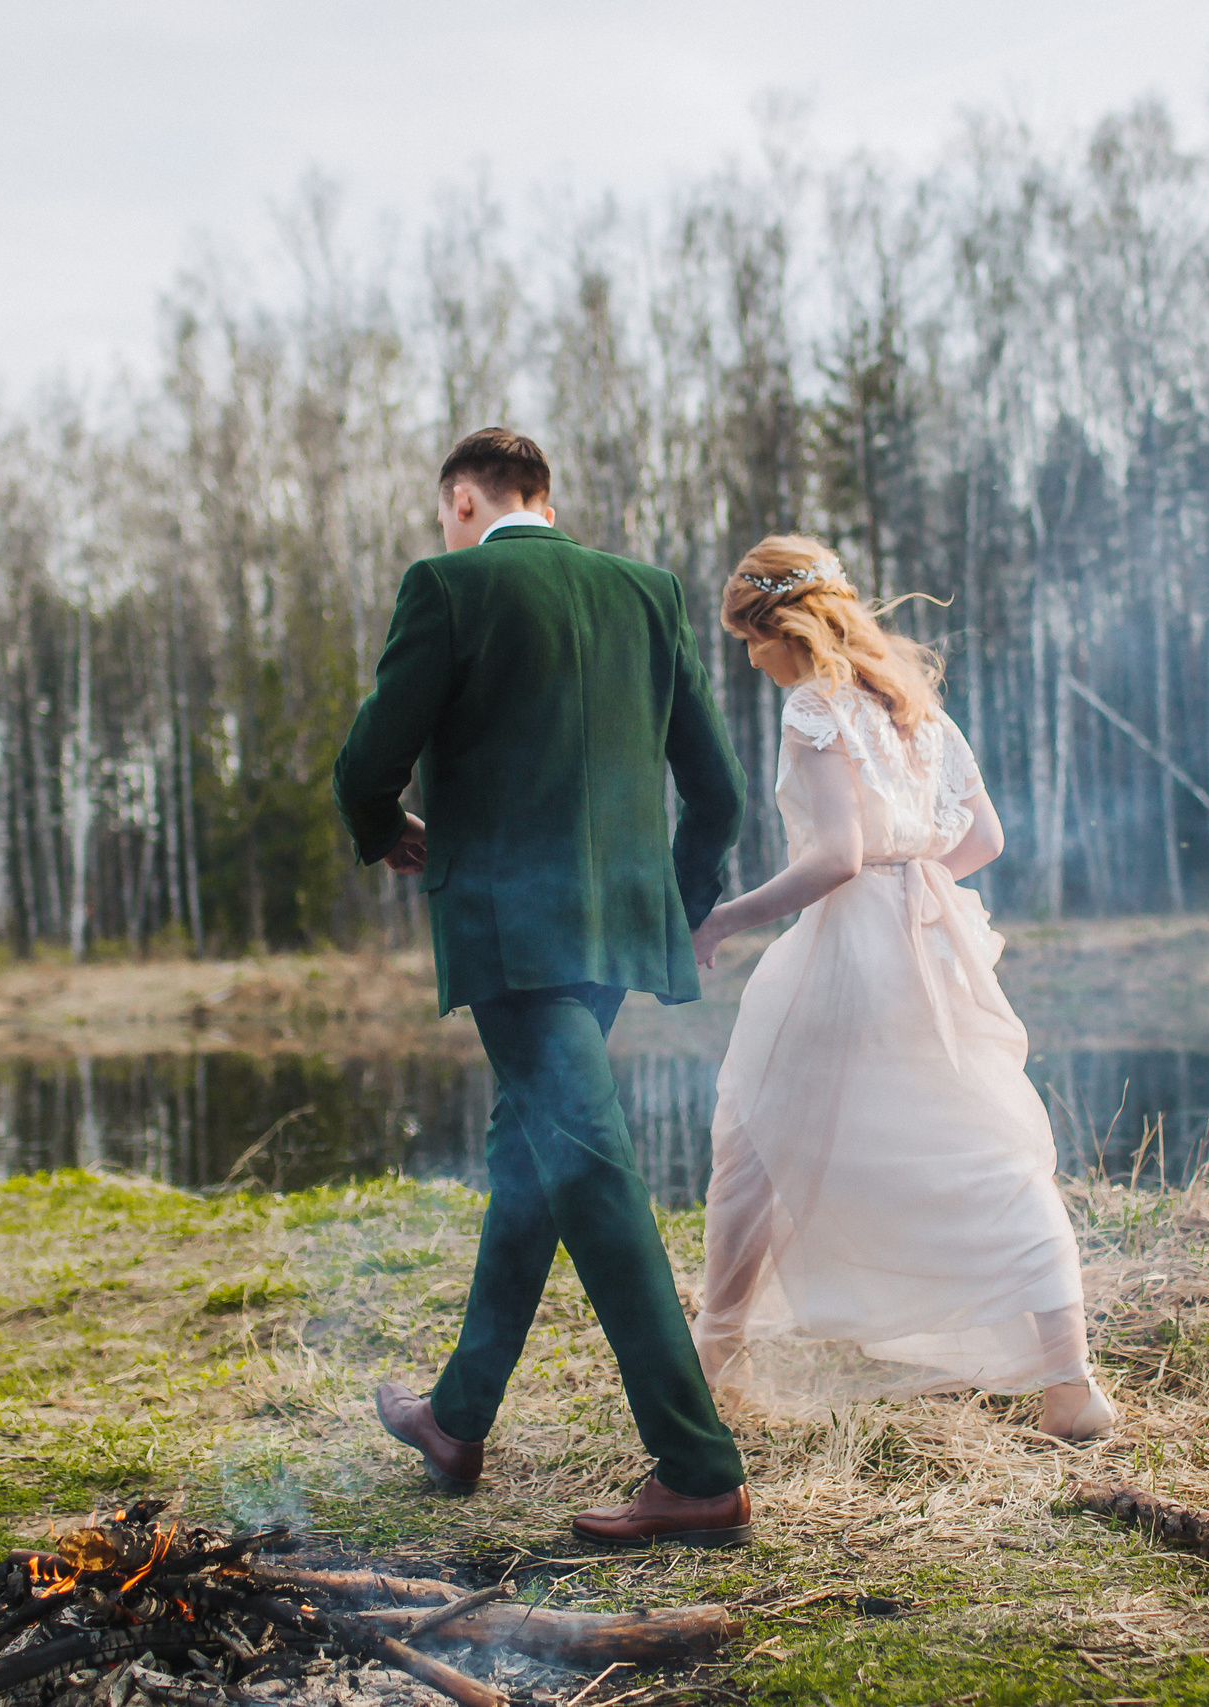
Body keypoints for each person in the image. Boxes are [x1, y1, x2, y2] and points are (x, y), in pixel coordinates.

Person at [332, 428, 756, 1548]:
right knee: (530, 1154)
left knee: (588, 1170)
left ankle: (698, 1468)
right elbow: (716, 794)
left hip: (513, 939)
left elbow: (367, 762)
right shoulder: (647, 593)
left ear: (465, 500)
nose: (444, 530)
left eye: (445, 512)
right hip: (615, 937)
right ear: (546, 496)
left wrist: (387, 832)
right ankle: (456, 1419)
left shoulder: (448, 587)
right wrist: (673, 901)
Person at [686, 535, 1119, 1441]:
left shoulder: (815, 705)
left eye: (747, 638)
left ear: (780, 626)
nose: (750, 659)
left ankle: (709, 1359)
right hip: (933, 937)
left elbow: (836, 858)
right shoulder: (911, 704)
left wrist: (726, 917)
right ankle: (1072, 1383)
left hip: (849, 951)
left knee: (755, 1134)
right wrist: (920, 885)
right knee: (987, 1147)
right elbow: (986, 840)